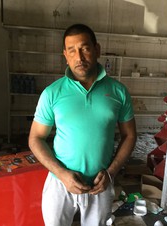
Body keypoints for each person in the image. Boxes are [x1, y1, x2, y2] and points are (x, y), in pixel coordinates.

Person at [28, 23, 136, 226]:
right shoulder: (52, 93)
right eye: (72, 50)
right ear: (65, 55)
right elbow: (35, 138)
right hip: (60, 182)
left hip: (100, 183)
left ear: (97, 49)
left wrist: (111, 172)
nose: (79, 57)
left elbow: (129, 135)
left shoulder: (118, 92)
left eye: (85, 48)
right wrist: (62, 174)